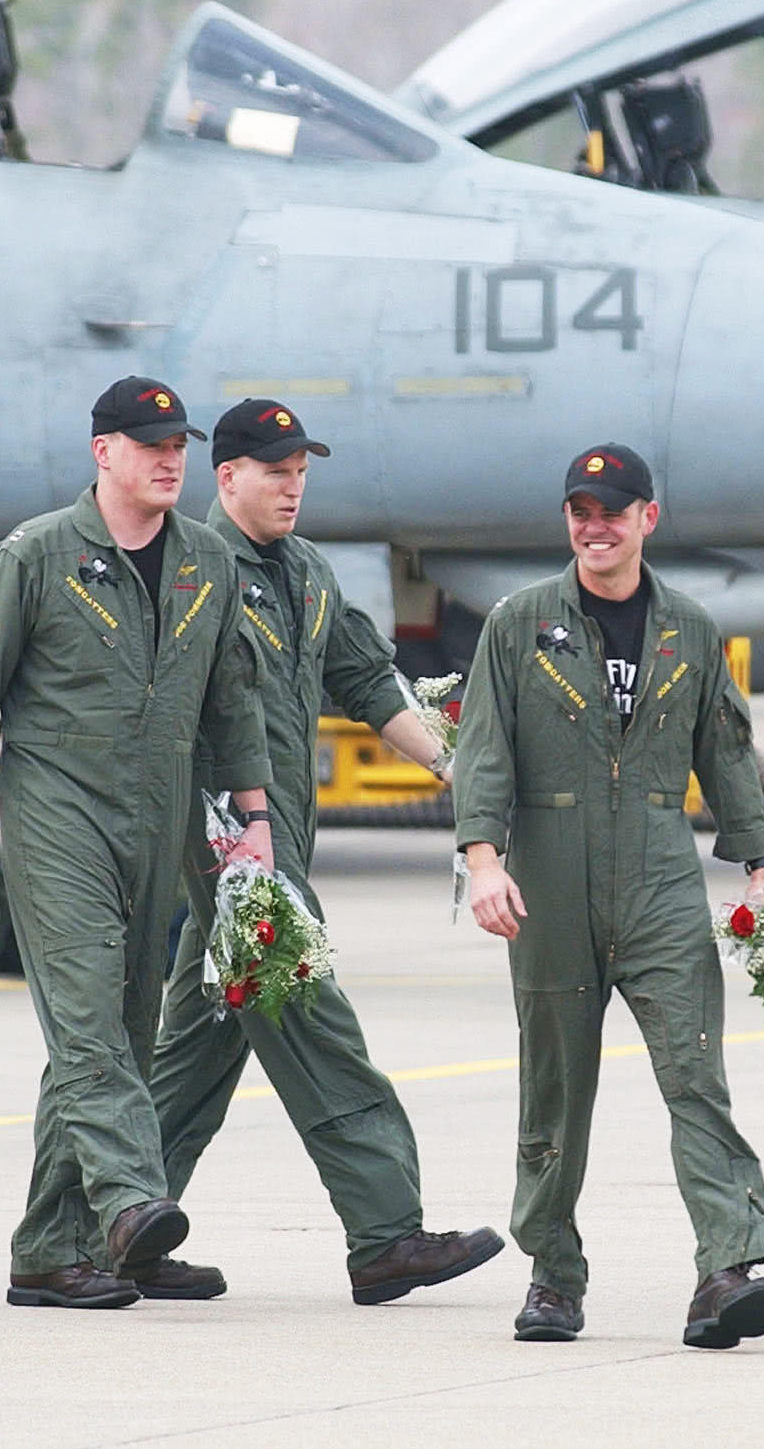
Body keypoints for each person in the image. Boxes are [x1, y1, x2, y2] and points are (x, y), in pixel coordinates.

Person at [0, 375, 273, 1310]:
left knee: (121, 1028)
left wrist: (254, 823)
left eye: (178, 446)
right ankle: (128, 1205)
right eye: (148, 443)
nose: (168, 459)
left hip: (158, 812)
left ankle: (48, 1248)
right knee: (84, 1016)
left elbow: (231, 702)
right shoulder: (36, 553)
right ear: (102, 451)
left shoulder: (206, 559)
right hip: (56, 807)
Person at [142, 399, 503, 1303]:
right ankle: (386, 1233)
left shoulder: (307, 571)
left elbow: (366, 681)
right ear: (226, 478)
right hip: (227, 843)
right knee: (310, 1017)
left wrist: (458, 767)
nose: (293, 486)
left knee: (199, 1045)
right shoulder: (191, 569)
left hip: (282, 832)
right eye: (275, 471)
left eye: (302, 470)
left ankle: (102, 1225)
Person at [454, 444, 764, 1348]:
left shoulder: (689, 627)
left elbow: (723, 750)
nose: (594, 527)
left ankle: (727, 1268)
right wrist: (484, 860)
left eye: (612, 510)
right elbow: (482, 750)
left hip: (658, 872)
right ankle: (553, 1277)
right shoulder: (519, 624)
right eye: (579, 511)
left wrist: (759, 861)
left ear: (648, 516)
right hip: (549, 878)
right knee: (555, 1091)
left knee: (694, 1071)